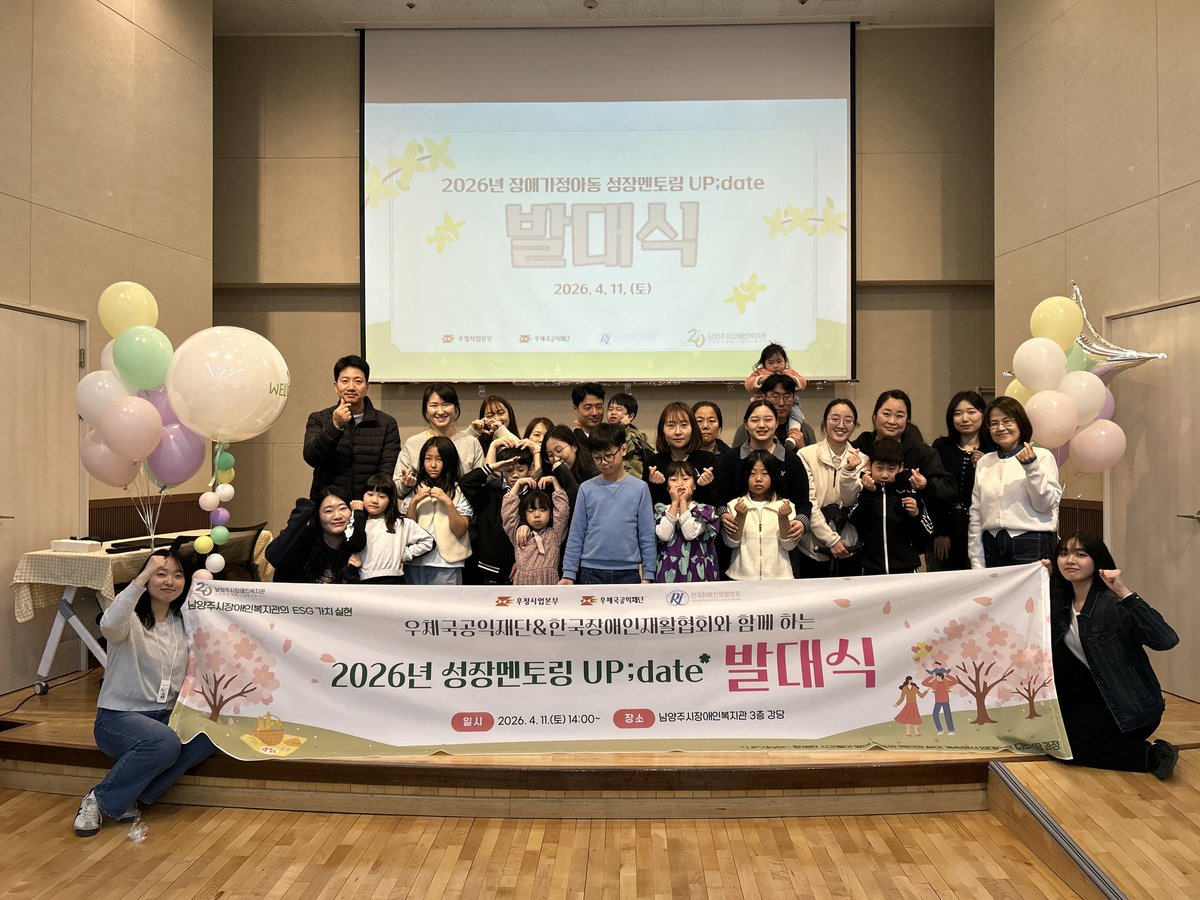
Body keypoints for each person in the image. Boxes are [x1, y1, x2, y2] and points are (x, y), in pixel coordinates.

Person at [73, 548, 215, 837]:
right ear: (147, 578)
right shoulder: (127, 620)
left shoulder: (183, 622)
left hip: (166, 715)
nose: (170, 581)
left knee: (208, 736)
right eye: (160, 574)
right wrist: (141, 577)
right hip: (119, 718)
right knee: (163, 741)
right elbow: (108, 624)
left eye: (178, 575)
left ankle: (132, 796)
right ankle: (99, 799)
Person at [1049, 532, 1179, 779]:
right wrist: (1038, 577)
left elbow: (1166, 640)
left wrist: (1124, 592)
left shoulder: (1114, 604)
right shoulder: (1059, 601)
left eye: (1080, 554)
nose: (1070, 560)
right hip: (1090, 698)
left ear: (1097, 560)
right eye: (1064, 553)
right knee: (1047, 736)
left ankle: (1151, 755)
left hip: (1130, 705)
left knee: (1066, 746)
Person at [968, 396, 1062, 569]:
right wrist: (976, 559)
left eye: (1007, 421)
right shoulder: (984, 462)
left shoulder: (1042, 456)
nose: (1000, 428)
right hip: (991, 544)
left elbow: (1046, 505)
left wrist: (1031, 467)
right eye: (994, 423)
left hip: (1031, 542)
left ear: (1020, 423)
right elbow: (976, 513)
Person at [559, 423, 657, 585]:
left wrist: (648, 574)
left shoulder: (640, 488)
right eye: (597, 457)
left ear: (623, 449)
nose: (603, 462)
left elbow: (646, 535)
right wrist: (569, 573)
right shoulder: (586, 488)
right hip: (590, 570)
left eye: (609, 456)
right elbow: (576, 533)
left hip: (628, 571)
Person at [303, 355, 400, 502]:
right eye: (345, 381)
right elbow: (312, 458)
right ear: (336, 387)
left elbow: (387, 470)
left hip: (369, 507)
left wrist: (370, 503)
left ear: (367, 387)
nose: (351, 387)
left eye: (358, 381)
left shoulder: (386, 424)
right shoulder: (319, 418)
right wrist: (335, 425)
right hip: (330, 506)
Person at [713, 400, 812, 543]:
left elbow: (803, 503)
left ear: (776, 423)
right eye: (755, 420)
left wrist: (801, 522)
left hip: (781, 542)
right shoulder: (730, 459)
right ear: (746, 424)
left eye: (768, 420)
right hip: (738, 541)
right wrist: (723, 514)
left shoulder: (791, 460)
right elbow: (719, 499)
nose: (761, 425)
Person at [851, 389, 954, 516]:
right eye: (886, 414)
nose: (892, 421)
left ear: (907, 421)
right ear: (874, 417)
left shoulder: (922, 452)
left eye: (899, 416)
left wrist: (926, 485)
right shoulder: (861, 446)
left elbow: (948, 490)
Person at [797, 399, 866, 578]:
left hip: (849, 547)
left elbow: (853, 502)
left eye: (848, 420)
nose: (841, 425)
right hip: (812, 548)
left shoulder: (863, 460)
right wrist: (831, 540)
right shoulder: (805, 455)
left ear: (855, 424)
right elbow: (809, 503)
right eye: (835, 419)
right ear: (825, 421)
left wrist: (849, 472)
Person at [930, 391, 995, 571]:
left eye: (971, 412)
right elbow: (934, 492)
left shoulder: (993, 451)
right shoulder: (941, 447)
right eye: (958, 413)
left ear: (983, 414)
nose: (964, 418)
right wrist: (940, 532)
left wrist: (986, 465)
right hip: (945, 531)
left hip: (981, 531)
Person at [850, 438, 933, 576]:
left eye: (891, 469)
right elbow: (854, 521)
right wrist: (867, 495)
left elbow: (927, 534)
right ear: (869, 465)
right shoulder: (863, 491)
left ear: (901, 467)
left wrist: (916, 514)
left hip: (906, 569)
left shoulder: (910, 491)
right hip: (871, 570)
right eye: (879, 468)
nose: (884, 474)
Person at [399, 436, 474, 585]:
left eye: (439, 459)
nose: (433, 465)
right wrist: (414, 502)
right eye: (428, 459)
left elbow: (460, 530)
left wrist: (447, 502)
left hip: (447, 563)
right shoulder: (415, 488)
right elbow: (406, 530)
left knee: (446, 601)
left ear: (449, 461)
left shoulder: (459, 491)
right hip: (415, 560)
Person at [460, 443, 534, 584]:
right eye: (509, 470)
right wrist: (493, 467)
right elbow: (466, 483)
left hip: (528, 566)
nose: (515, 474)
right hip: (490, 567)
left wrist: (523, 561)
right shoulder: (490, 493)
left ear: (530, 469)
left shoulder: (536, 496)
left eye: (520, 469)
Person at [393, 384, 484, 499]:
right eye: (434, 405)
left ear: (456, 408)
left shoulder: (471, 443)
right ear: (426, 410)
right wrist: (406, 484)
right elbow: (396, 490)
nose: (440, 411)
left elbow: (481, 486)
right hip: (421, 508)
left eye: (446, 404)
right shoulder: (413, 443)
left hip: (462, 509)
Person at [723, 450, 800, 581]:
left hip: (779, 579)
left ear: (773, 475)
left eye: (765, 473)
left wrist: (783, 518)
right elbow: (731, 543)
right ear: (745, 476)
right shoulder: (735, 505)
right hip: (741, 578)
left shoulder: (786, 506)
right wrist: (740, 516)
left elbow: (789, 545)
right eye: (752, 473)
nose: (758, 479)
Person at [266, 487, 367, 583]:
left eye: (342, 508)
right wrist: (302, 514)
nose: (337, 516)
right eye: (328, 511)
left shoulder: (357, 544)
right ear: (317, 516)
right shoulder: (304, 538)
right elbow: (274, 557)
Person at [346, 475, 433, 585]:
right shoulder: (356, 522)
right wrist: (358, 513)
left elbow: (428, 541)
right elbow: (355, 543)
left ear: (390, 501)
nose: (374, 500)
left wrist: (404, 554)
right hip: (363, 579)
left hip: (394, 579)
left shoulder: (401, 523)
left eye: (382, 496)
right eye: (370, 494)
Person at [654, 459, 721, 583]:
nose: (680, 484)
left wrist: (683, 502)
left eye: (685, 479)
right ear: (667, 487)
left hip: (698, 570)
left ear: (694, 485)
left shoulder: (703, 511)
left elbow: (689, 534)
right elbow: (665, 535)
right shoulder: (662, 511)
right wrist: (675, 503)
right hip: (668, 568)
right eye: (673, 480)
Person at [644, 401, 719, 508]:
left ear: (693, 428)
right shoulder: (653, 462)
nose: (678, 432)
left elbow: (717, 503)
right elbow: (647, 505)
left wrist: (705, 486)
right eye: (671, 426)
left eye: (684, 425)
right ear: (662, 429)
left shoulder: (708, 460)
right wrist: (655, 486)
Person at [503, 476, 571, 585]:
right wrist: (518, 483)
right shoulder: (518, 535)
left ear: (551, 514)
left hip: (549, 586)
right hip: (523, 587)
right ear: (525, 515)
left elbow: (562, 511)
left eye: (543, 510)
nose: (537, 514)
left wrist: (554, 481)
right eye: (531, 510)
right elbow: (508, 514)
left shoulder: (555, 535)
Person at [744, 342, 808, 433]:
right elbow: (748, 384)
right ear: (764, 364)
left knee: (796, 414)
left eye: (779, 362)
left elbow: (803, 383)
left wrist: (791, 379)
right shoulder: (761, 372)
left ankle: (794, 431)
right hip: (762, 403)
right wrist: (761, 379)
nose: (775, 366)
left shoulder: (789, 372)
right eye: (770, 363)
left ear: (785, 361)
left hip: (792, 405)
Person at [734, 373, 809, 450]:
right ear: (763, 397)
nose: (781, 403)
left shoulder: (805, 430)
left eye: (787, 397)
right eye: (775, 397)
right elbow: (734, 456)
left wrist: (802, 448)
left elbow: (812, 457)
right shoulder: (747, 430)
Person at [606, 391, 654, 479]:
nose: (613, 412)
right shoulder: (605, 433)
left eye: (618, 409)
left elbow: (627, 451)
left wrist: (624, 429)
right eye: (610, 409)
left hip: (633, 479)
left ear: (630, 416)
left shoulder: (636, 434)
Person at [922, 667, 960, 737]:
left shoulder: (946, 683)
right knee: (935, 714)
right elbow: (924, 683)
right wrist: (932, 677)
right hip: (938, 701)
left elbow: (955, 681)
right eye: (936, 677)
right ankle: (940, 730)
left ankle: (951, 730)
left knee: (947, 715)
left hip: (945, 701)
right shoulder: (934, 683)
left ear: (940, 677)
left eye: (937, 677)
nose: (936, 678)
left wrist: (947, 675)